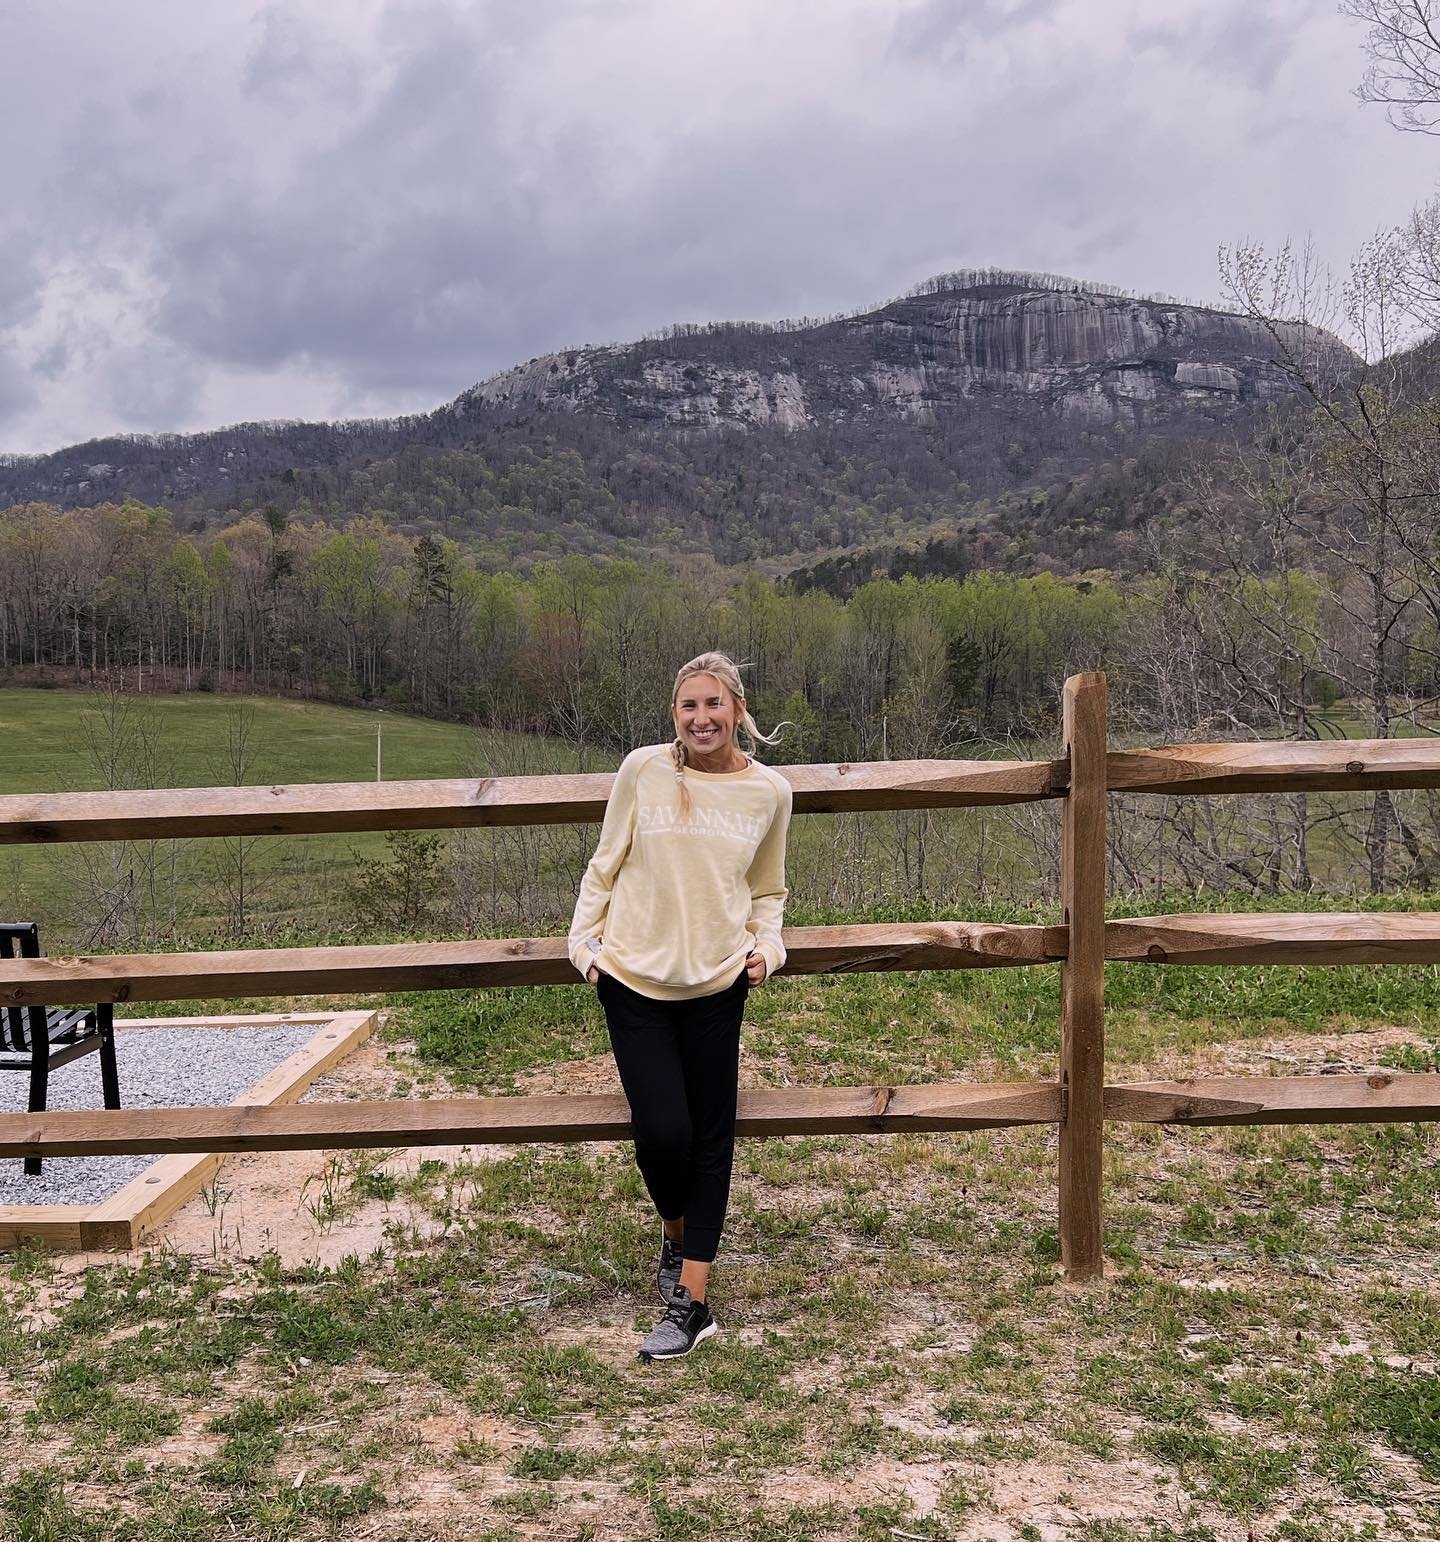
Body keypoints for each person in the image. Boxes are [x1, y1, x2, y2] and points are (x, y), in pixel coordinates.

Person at [568, 651, 792, 1362]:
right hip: (632, 978)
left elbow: (768, 889)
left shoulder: (770, 793)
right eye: (689, 706)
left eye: (714, 705)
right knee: (662, 1136)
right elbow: (605, 863)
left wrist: (770, 948)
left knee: (710, 1139)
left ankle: (692, 1302)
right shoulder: (643, 770)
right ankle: (674, 1232)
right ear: (675, 714)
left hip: (720, 984)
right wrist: (585, 949)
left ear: (738, 710)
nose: (702, 718)